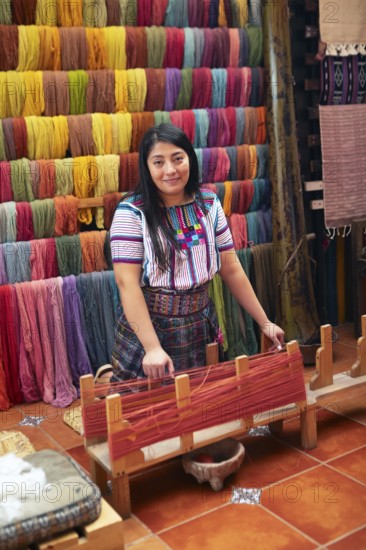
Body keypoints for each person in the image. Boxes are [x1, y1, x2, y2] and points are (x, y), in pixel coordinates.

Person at [108, 123, 284, 383]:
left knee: (204, 406)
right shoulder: (131, 213)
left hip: (201, 325)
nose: (170, 170)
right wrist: (152, 348)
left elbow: (230, 266)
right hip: (151, 329)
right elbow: (126, 283)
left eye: (178, 158)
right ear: (146, 167)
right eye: (158, 162)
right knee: (146, 415)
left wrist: (264, 321)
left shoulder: (209, 203)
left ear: (190, 158)